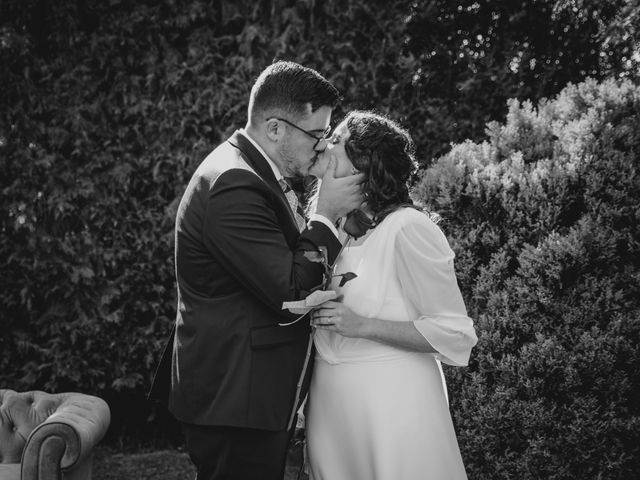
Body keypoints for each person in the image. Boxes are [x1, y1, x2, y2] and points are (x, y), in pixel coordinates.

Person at [148, 61, 365, 480]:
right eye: (316, 136)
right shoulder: (234, 184)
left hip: (245, 394)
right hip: (235, 399)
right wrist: (326, 215)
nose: (321, 147)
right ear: (275, 128)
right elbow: (290, 294)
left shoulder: (253, 170)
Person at [305, 111, 478, 480]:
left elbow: (454, 336)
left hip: (392, 406)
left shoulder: (407, 228)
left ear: (363, 165)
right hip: (333, 410)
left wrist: (362, 325)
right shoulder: (334, 231)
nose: (322, 143)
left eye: (335, 140)